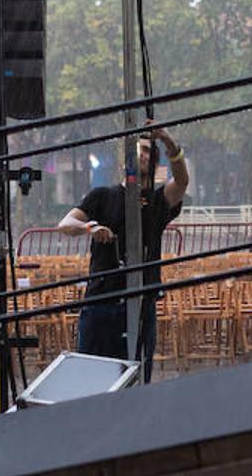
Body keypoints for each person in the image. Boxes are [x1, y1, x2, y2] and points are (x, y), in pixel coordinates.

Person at [58, 122, 188, 381]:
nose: (142, 155)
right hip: (100, 302)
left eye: (148, 151)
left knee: (136, 377)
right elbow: (66, 224)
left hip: (141, 304)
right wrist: (89, 228)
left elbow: (182, 180)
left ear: (154, 163)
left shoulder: (158, 201)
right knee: (92, 377)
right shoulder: (102, 196)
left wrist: (169, 142)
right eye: (138, 150)